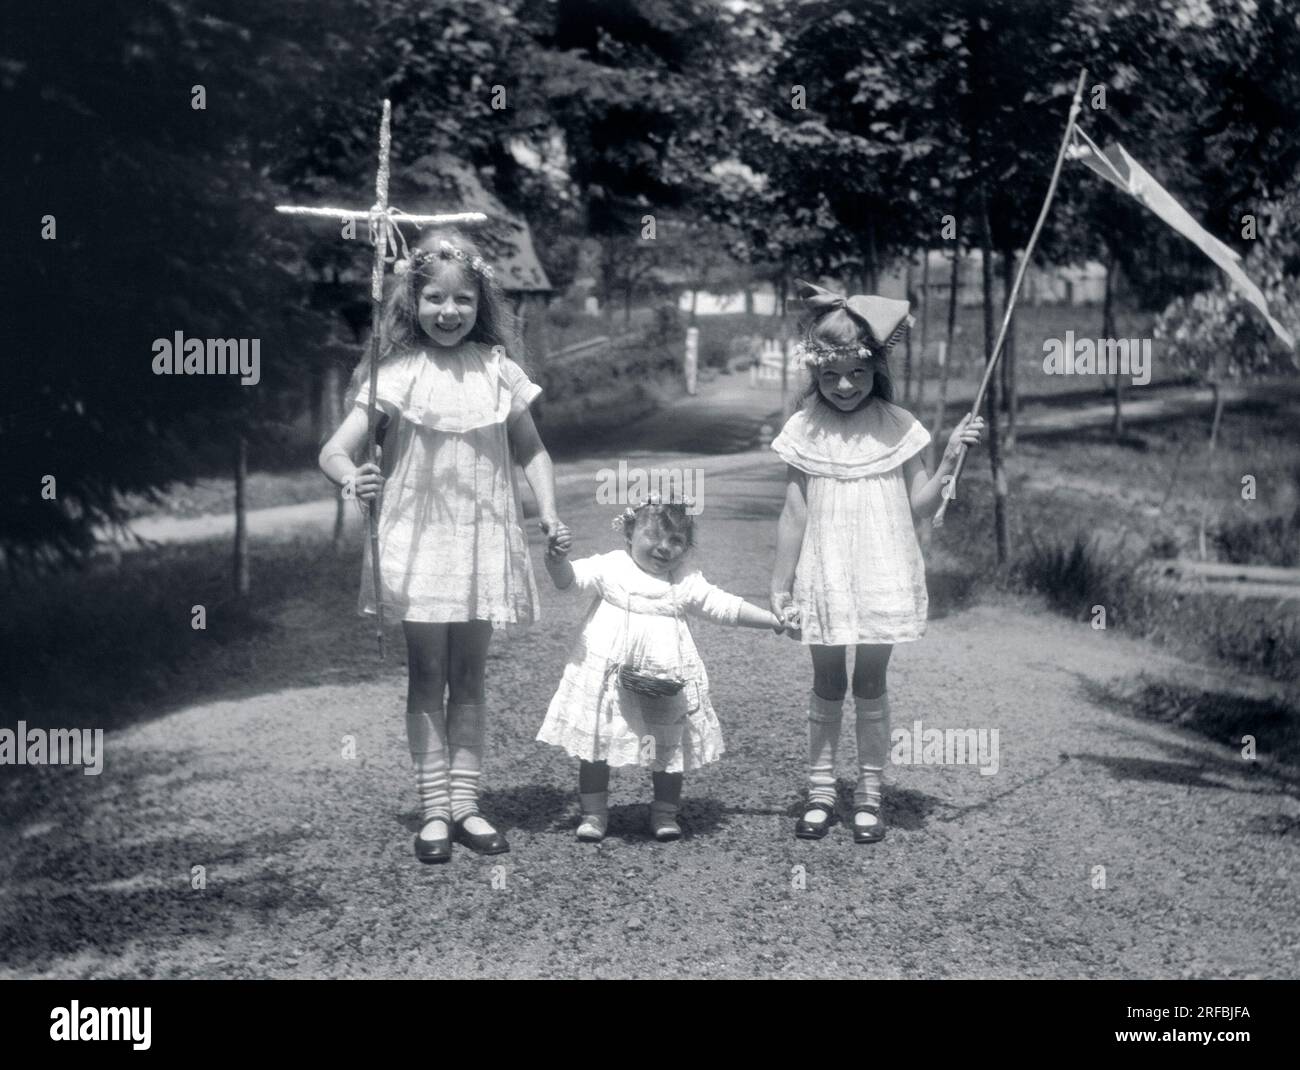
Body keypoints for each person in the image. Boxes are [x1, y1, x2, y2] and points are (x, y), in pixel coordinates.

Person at [318, 228, 568, 864]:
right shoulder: (394, 375)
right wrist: (355, 477)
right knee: (428, 674)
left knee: (471, 675)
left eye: (461, 300)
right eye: (433, 298)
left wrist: (550, 512)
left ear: (480, 303)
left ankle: (467, 804)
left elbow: (532, 450)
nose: (448, 312)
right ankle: (434, 809)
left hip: (484, 537)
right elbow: (334, 450)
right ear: (412, 301)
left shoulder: (498, 370)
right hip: (418, 539)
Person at [770, 280, 984, 843]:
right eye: (830, 374)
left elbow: (921, 504)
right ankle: (820, 791)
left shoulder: (899, 426)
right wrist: (779, 583)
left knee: (869, 681)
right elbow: (794, 511)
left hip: (880, 567)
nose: (844, 386)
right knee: (825, 679)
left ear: (876, 367)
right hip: (824, 569)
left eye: (857, 373)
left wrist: (952, 458)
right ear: (814, 371)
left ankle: (868, 793)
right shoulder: (803, 427)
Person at [538, 496, 784, 842]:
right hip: (607, 678)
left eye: (676, 541)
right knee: (598, 741)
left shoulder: (684, 580)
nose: (664, 548)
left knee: (669, 743)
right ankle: (594, 814)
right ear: (628, 532)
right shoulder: (612, 566)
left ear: (686, 548)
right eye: (653, 536)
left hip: (663, 678)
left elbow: (721, 604)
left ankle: (665, 812)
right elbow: (570, 581)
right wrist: (557, 561)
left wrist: (773, 621)